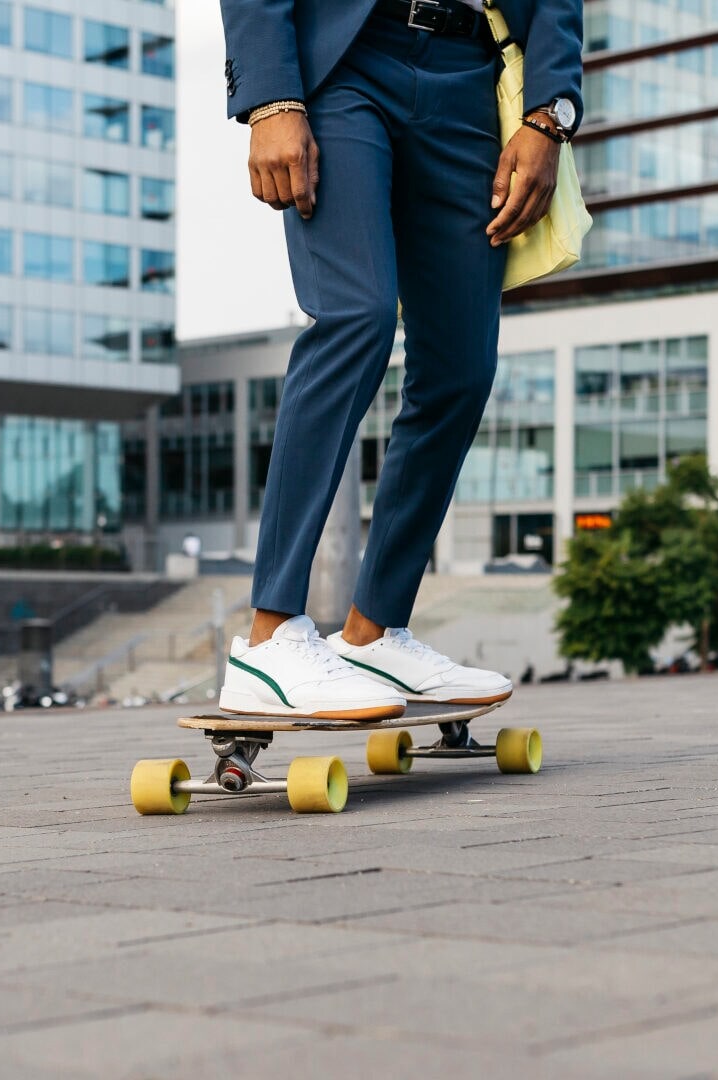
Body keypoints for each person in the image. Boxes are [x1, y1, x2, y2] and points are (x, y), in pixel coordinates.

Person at [216, 0, 583, 719]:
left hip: (469, 72)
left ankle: (374, 632)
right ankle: (269, 635)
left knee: (461, 368)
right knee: (356, 315)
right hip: (347, 60)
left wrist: (550, 115)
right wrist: (270, 98)